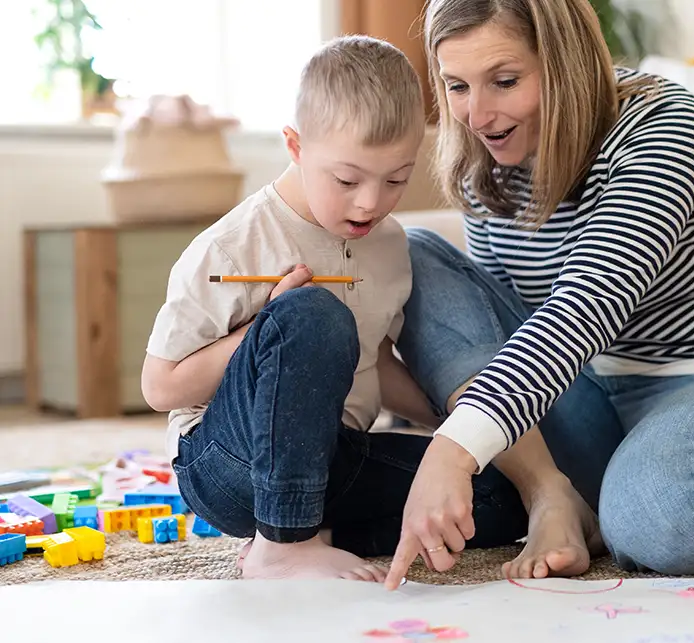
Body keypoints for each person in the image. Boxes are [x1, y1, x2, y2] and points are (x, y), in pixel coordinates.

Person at [383, 0, 694, 590]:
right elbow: (501, 331)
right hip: (590, 390)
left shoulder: (663, 125)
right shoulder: (482, 164)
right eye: (457, 86)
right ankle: (552, 497)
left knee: (654, 522)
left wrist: (454, 447)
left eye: (505, 81)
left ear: (564, 63)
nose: (477, 115)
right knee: (409, 249)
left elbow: (587, 304)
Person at [140, 35, 537, 581]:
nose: (370, 202)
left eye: (396, 179)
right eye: (347, 180)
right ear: (296, 147)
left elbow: (374, 360)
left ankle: (308, 531)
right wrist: (264, 331)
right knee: (313, 314)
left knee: (494, 494)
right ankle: (283, 544)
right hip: (231, 464)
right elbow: (160, 388)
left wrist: (463, 429)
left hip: (333, 460)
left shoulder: (389, 244)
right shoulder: (234, 245)